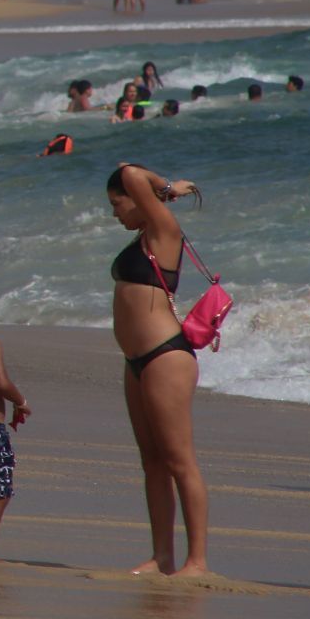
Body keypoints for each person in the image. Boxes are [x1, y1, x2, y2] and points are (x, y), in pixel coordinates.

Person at [105, 163, 209, 577]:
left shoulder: (163, 229)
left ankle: (197, 560)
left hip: (166, 356)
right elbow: (128, 180)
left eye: (116, 204)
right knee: (152, 461)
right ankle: (162, 555)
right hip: (136, 362)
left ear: (138, 199)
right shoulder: (142, 237)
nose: (114, 213)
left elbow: (127, 170)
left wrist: (168, 188)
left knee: (180, 461)